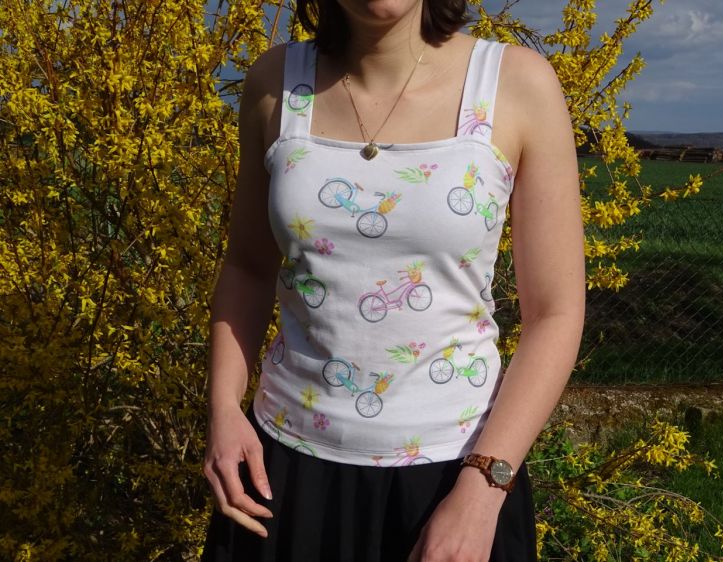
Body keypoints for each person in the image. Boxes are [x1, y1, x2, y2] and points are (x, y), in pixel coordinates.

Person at [200, 0, 585, 560]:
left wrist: (484, 488)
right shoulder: (275, 82)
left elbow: (556, 312)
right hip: (282, 471)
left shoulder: (516, 84)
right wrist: (223, 410)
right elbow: (248, 268)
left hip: (456, 481)